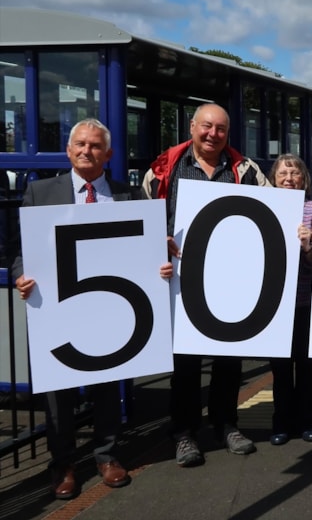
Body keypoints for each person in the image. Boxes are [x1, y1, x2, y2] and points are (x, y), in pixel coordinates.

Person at [12, 118, 174, 499]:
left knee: (108, 382)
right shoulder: (39, 192)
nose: (87, 150)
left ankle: (106, 455)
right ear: (69, 151)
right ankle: (62, 463)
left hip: (110, 307)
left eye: (95, 145)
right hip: (59, 306)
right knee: (58, 390)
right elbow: (21, 250)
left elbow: (146, 253)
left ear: (109, 154)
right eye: (81, 144)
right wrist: (21, 276)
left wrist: (160, 268)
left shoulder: (129, 196)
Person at [143, 103, 268, 467]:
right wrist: (158, 239)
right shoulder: (164, 169)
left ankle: (226, 424)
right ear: (192, 126)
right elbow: (144, 218)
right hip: (183, 281)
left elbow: (273, 211)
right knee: (185, 363)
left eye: (221, 129)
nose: (213, 134)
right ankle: (184, 432)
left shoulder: (246, 171)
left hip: (232, 279)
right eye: (207, 126)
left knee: (229, 358)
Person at [267, 154, 312, 446]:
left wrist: (308, 245)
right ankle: (281, 423)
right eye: (283, 174)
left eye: (295, 173)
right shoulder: (264, 206)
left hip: (305, 301)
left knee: (307, 365)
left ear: (304, 180)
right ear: (273, 179)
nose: (289, 179)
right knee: (280, 368)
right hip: (274, 303)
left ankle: (308, 421)